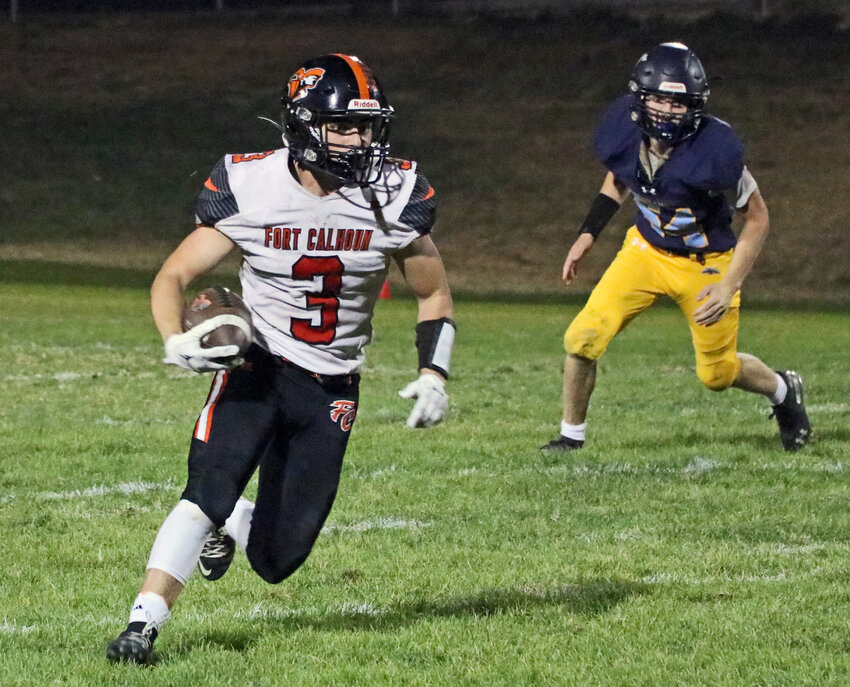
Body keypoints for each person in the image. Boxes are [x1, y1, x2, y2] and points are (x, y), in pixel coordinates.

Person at [106, 53, 456, 664]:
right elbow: (175, 274)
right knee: (204, 488)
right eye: (343, 126)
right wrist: (174, 339)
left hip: (332, 385)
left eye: (367, 126)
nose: (359, 140)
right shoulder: (251, 184)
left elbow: (433, 293)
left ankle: (234, 519)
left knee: (276, 560)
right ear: (301, 125)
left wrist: (434, 372)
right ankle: (142, 625)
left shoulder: (394, 194)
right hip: (258, 366)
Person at [541, 42, 810, 454]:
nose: (667, 110)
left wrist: (727, 286)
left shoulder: (714, 149)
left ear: (695, 105)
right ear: (640, 98)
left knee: (717, 375)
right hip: (644, 253)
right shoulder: (624, 130)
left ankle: (781, 389)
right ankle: (570, 438)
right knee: (581, 339)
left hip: (705, 264)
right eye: (659, 98)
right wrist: (588, 232)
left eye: (678, 102)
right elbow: (619, 177)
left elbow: (757, 219)